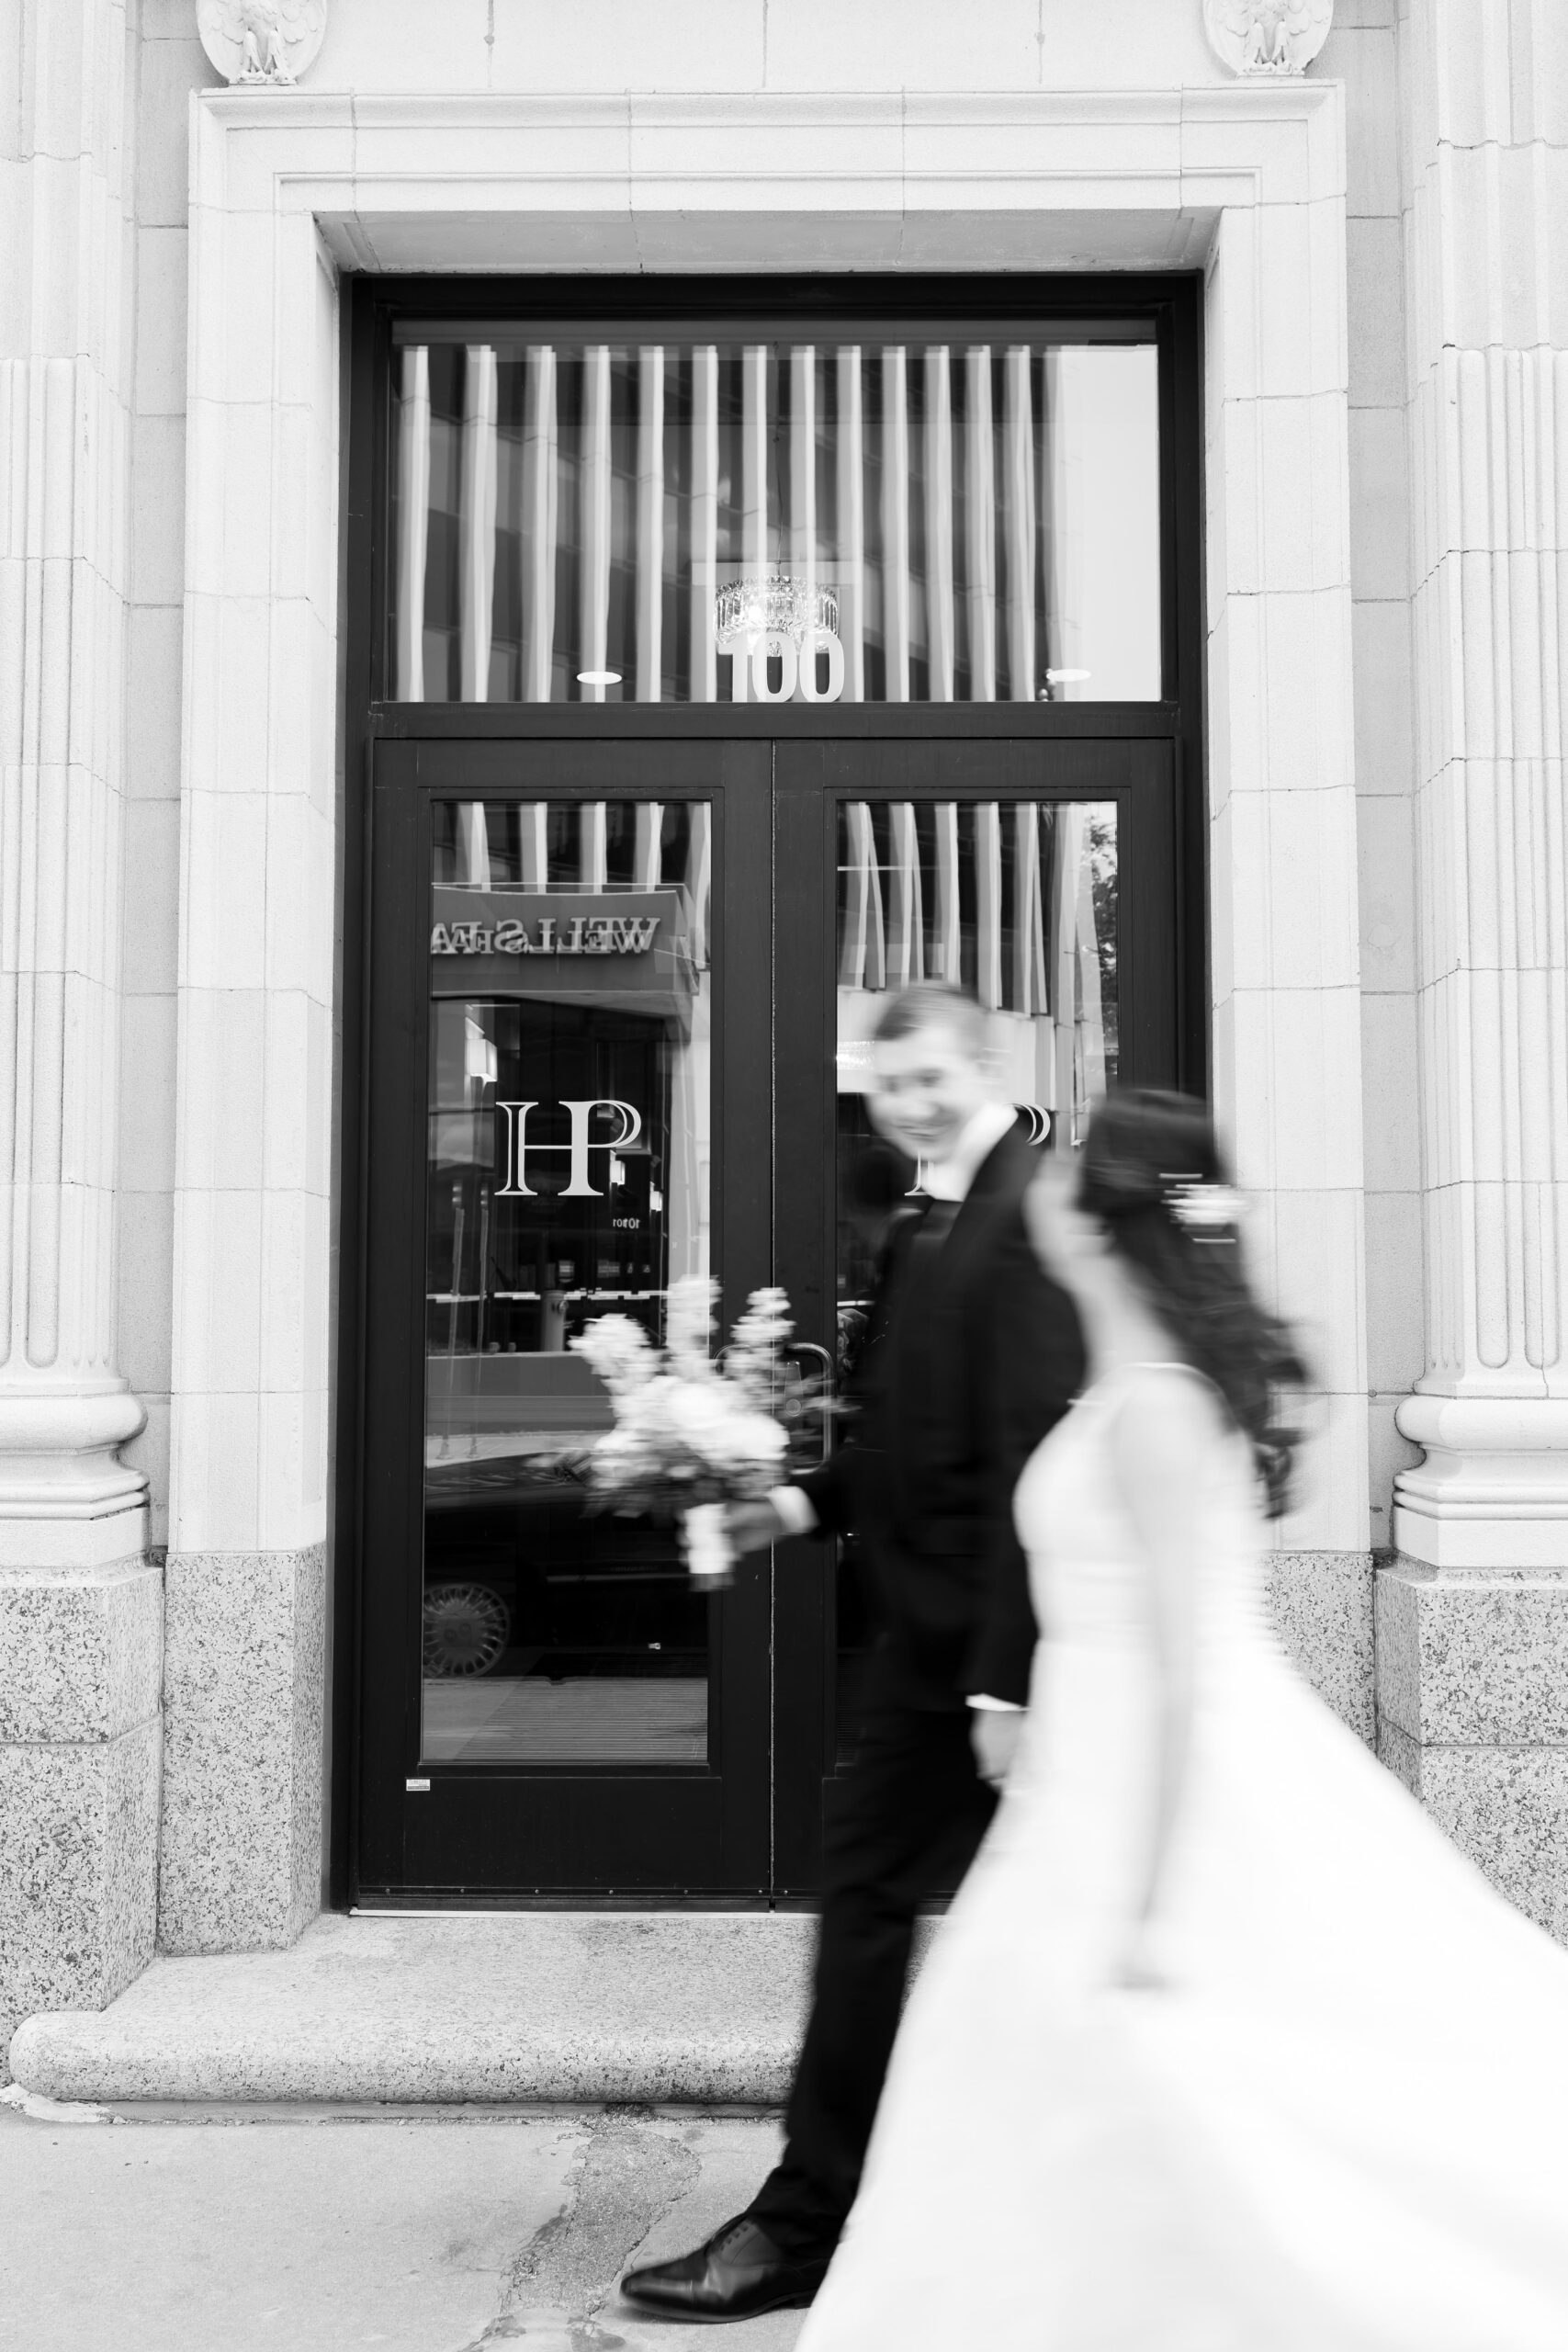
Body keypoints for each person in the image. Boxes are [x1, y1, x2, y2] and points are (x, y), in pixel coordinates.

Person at [795, 1090, 1568, 2352]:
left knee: (1226, 2092)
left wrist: (1152, 1898)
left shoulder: (1154, 1408)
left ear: (1099, 1216)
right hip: (1081, 1780)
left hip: (1159, 1787)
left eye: (1068, 1164)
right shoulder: (1122, 1381)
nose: (1039, 1182)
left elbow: (1177, 1671)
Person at [620, 982, 1086, 2323]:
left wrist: (1005, 1679)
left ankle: (808, 2220)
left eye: (934, 1077)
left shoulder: (1026, 1215)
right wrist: (793, 1505)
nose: (914, 1103)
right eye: (893, 1087)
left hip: (981, 1665)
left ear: (986, 1064)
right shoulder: (932, 1217)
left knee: (876, 1911)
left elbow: (1028, 1468)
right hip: (928, 1651)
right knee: (908, 1917)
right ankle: (914, 2203)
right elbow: (903, 1442)